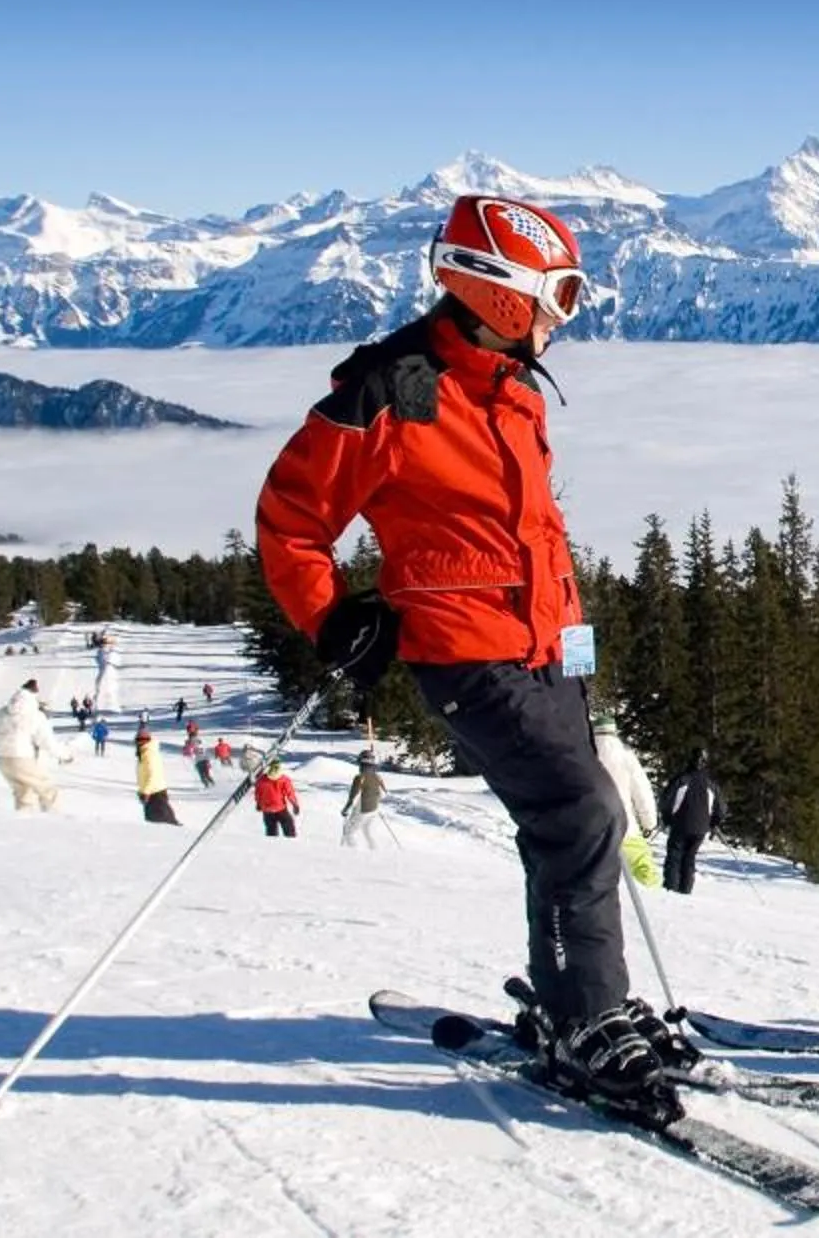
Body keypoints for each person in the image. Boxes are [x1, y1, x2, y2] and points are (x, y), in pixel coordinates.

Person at [256, 192, 681, 1114]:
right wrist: (332, 618)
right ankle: (587, 1021)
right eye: (558, 294)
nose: (566, 317)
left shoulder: (514, 386)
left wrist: (579, 650)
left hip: (545, 647)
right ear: (498, 291)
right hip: (466, 654)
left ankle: (582, 1003)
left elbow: (536, 533)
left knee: (573, 818)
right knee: (579, 815)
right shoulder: (391, 389)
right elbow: (291, 519)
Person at [592, 714, 664, 889]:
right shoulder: (626, 755)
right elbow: (642, 791)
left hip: (590, 824)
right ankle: (657, 897)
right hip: (624, 823)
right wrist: (649, 823)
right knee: (643, 866)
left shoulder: (585, 752)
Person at [0, 679, 63, 812]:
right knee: (47, 788)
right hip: (20, 757)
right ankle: (54, 819)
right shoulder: (34, 714)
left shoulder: (2, 712)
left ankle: (24, 821)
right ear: (34, 695)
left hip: (2, 759)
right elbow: (46, 741)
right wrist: (63, 755)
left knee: (23, 791)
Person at [660, 758, 723, 896]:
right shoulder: (710, 783)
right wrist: (714, 822)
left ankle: (671, 889)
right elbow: (720, 807)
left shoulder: (682, 779)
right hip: (700, 829)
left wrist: (667, 818)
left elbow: (667, 800)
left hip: (680, 825)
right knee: (689, 858)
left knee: (674, 857)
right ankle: (685, 890)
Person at [340, 753, 389, 849]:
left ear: (362, 764)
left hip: (363, 809)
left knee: (348, 833)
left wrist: (345, 810)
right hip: (374, 810)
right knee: (367, 830)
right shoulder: (378, 777)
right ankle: (375, 851)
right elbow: (384, 793)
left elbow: (353, 797)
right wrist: (374, 800)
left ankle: (355, 854)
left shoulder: (359, 778)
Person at [134, 728, 179, 825]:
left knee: (164, 823)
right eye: (137, 740)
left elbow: (153, 775)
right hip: (151, 793)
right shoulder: (144, 753)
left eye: (141, 740)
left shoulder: (149, 753)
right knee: (155, 823)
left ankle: (184, 837)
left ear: (147, 740)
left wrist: (146, 792)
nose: (139, 742)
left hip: (155, 793)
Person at [253, 758, 302, 837]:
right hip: (280, 808)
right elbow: (290, 793)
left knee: (271, 829)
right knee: (288, 825)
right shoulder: (283, 780)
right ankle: (291, 840)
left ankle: (271, 843)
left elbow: (258, 794)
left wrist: (258, 804)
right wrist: (295, 804)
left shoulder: (261, 780)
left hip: (267, 809)